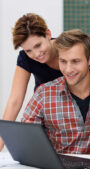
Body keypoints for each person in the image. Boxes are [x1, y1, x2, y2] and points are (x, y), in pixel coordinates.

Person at [21, 29, 90, 154]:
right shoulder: (44, 93)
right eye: (63, 61)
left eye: (75, 61)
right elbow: (26, 138)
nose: (68, 69)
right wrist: (28, 134)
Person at [0, 13, 62, 151]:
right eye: (28, 50)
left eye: (38, 45)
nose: (36, 54)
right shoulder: (26, 59)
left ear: (47, 34)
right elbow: (15, 101)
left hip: (70, 118)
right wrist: (0, 142)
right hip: (46, 118)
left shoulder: (67, 48)